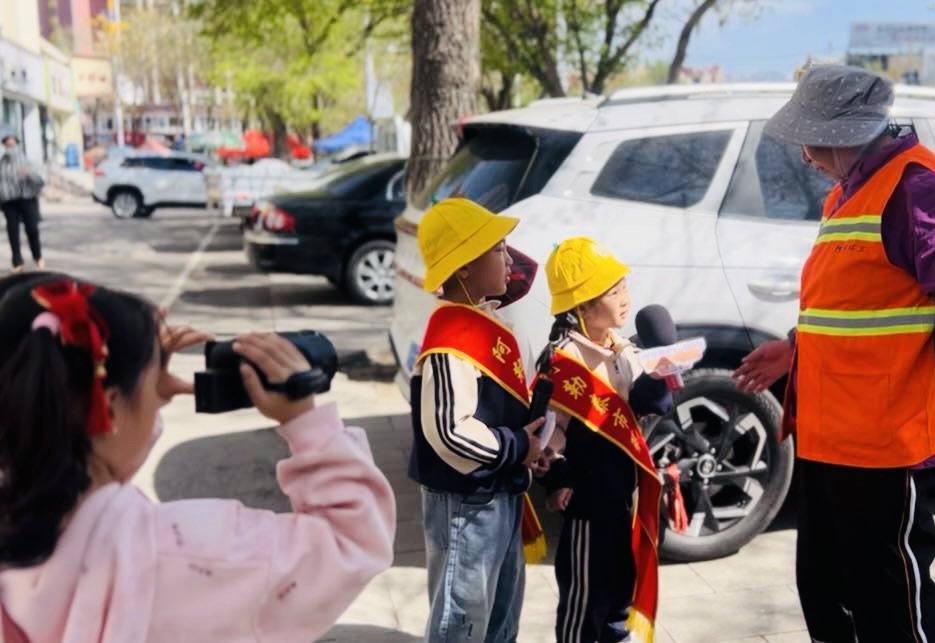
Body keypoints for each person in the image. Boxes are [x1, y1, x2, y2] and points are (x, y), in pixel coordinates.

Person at [733, 65, 935, 643]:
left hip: (884, 445)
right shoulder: (848, 192)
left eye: (810, 139)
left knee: (891, 610)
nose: (805, 155)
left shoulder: (914, 187)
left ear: (844, 135)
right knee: (828, 594)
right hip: (831, 438)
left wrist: (910, 366)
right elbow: (858, 303)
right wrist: (797, 348)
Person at [0, 271, 397, 643]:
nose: (159, 399)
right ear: (110, 408)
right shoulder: (193, 551)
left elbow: (95, 468)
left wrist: (142, 390)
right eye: (152, 388)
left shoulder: (18, 538)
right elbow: (351, 542)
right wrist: (305, 421)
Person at [408, 197, 545, 643]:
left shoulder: (484, 320)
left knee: (501, 612)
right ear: (464, 268)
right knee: (462, 618)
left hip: (499, 487)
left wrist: (533, 445)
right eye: (498, 249)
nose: (509, 259)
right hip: (466, 501)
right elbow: (450, 430)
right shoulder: (452, 339)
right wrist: (517, 445)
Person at [537, 237, 670, 643]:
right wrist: (557, 475)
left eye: (624, 286)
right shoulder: (562, 361)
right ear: (583, 307)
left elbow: (640, 408)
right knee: (585, 602)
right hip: (588, 502)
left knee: (619, 596)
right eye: (614, 292)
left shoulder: (622, 348)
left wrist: (660, 377)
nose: (625, 298)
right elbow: (550, 429)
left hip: (624, 496)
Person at [0, 133, 45, 273]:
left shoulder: (27, 161)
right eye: (7, 145)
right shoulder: (2, 163)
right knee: (13, 231)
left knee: (32, 229)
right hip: (9, 201)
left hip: (27, 198)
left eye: (12, 145)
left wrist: (28, 173)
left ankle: (38, 257)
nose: (10, 148)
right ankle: (17, 261)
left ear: (18, 144)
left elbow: (40, 180)